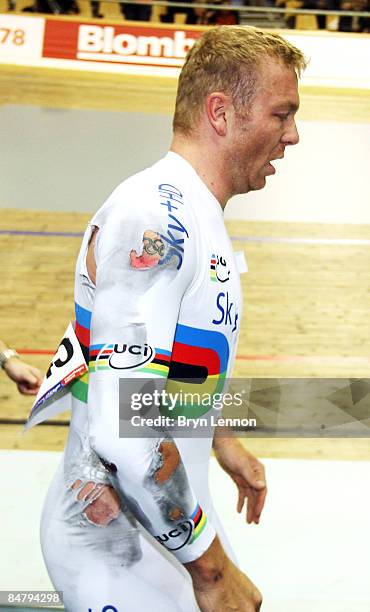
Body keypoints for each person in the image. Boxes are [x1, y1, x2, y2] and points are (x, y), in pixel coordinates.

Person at [31, 26, 306, 612]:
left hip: (162, 523)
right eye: (282, 114)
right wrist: (212, 571)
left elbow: (147, 368)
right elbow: (122, 428)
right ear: (221, 113)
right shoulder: (155, 220)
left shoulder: (191, 211)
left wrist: (219, 436)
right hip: (119, 548)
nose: (294, 135)